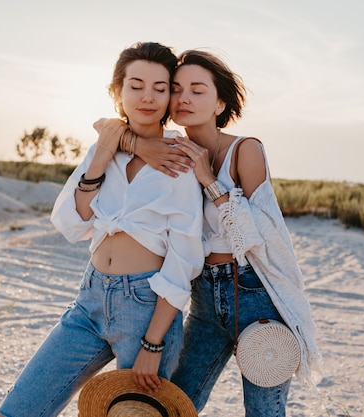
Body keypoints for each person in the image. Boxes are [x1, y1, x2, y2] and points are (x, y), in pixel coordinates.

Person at [0, 42, 204, 417]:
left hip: (146, 308)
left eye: (160, 87)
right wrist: (108, 153)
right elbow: (73, 224)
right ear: (117, 91)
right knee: (18, 409)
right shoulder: (104, 146)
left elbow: (184, 258)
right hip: (90, 298)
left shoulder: (180, 158)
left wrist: (154, 343)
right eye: (136, 85)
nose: (148, 97)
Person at [129, 49, 323, 416]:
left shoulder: (245, 151)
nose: (184, 97)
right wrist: (137, 143)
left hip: (255, 297)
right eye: (176, 88)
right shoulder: (170, 150)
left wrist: (208, 180)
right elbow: (112, 132)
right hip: (203, 297)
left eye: (197, 90)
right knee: (178, 404)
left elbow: (257, 234)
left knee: (264, 412)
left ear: (220, 103)